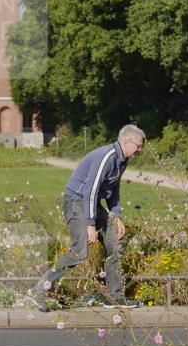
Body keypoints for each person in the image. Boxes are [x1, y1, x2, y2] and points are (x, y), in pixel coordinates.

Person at [29, 124, 146, 311]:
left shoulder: (122, 160)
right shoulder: (106, 157)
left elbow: (113, 189)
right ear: (126, 141)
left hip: (89, 204)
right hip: (77, 201)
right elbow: (90, 191)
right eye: (138, 146)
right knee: (80, 252)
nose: (140, 150)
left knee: (114, 245)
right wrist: (90, 224)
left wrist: (116, 216)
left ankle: (115, 298)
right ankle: (39, 289)